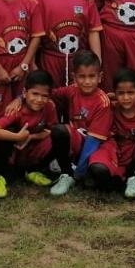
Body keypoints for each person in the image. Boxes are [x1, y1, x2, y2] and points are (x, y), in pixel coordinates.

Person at [0, 70, 66, 198]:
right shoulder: (16, 110)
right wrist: (17, 137)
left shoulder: (49, 107)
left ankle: (33, 171)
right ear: (25, 93)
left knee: (56, 135)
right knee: (5, 134)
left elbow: (50, 130)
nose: (39, 99)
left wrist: (30, 137)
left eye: (44, 96)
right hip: (13, 151)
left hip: (30, 149)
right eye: (35, 94)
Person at [47, 50, 113, 195]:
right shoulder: (72, 89)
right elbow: (49, 93)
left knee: (98, 174)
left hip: (96, 146)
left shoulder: (102, 102)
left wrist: (80, 173)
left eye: (91, 76)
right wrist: (20, 99)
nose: (87, 81)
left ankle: (78, 172)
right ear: (74, 77)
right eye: (82, 77)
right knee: (59, 130)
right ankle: (66, 173)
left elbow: (93, 142)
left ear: (100, 77)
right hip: (77, 139)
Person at [34, 0, 102, 87]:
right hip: (50, 59)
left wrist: (97, 62)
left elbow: (93, 31)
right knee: (52, 98)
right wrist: (32, 63)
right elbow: (35, 34)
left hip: (79, 62)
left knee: (77, 101)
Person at [86, 69, 135, 198]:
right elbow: (97, 100)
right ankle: (117, 181)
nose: (126, 98)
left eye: (131, 93)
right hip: (114, 153)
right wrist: (110, 96)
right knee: (98, 168)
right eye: (121, 93)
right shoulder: (110, 107)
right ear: (115, 93)